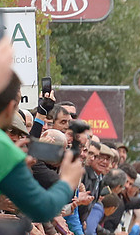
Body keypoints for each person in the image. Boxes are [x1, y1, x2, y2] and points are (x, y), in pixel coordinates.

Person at [0, 71, 82, 222]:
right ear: (11, 107)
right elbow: (43, 208)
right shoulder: (4, 148)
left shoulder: (9, 150)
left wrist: (41, 114)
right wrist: (68, 181)